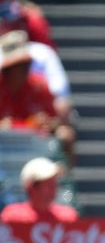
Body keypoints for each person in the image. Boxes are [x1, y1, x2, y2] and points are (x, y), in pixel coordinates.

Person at [0, 30, 76, 166]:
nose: (23, 70)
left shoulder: (40, 86)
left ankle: (63, 183)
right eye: (16, 66)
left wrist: (49, 124)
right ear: (6, 69)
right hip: (4, 149)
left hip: (35, 148)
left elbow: (56, 122)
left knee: (65, 135)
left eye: (25, 64)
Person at [0, 156, 77, 223]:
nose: (54, 186)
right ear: (31, 187)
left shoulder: (67, 217)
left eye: (54, 181)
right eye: (48, 183)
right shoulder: (12, 216)